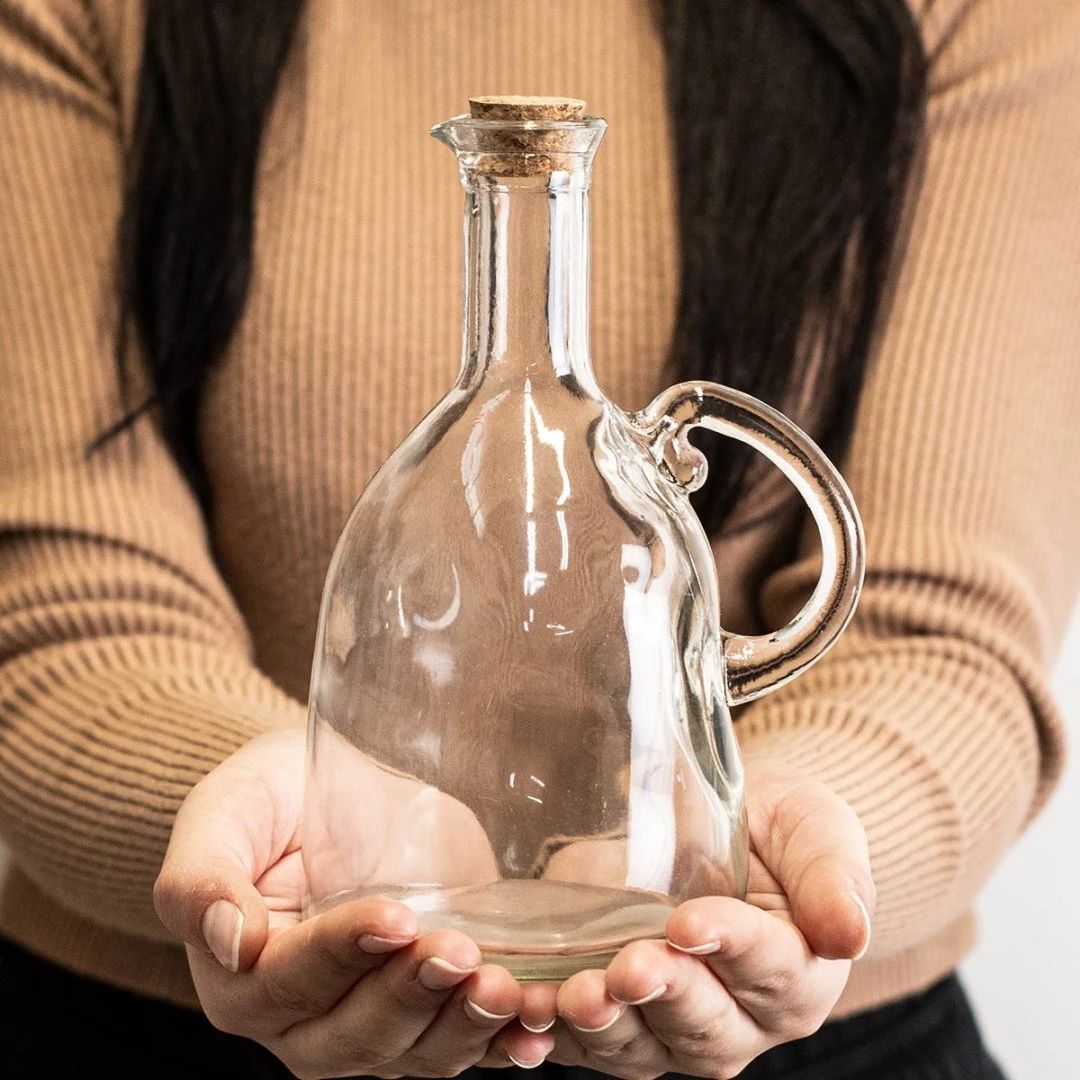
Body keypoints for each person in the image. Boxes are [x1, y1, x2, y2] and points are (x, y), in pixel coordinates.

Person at [1, 1, 1077, 1077]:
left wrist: (752, 823)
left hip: (811, 1032)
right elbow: (60, 597)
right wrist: (275, 813)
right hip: (156, 1023)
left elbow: (946, 631)